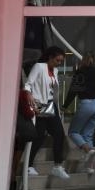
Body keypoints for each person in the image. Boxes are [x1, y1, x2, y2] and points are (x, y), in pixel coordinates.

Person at [26, 46, 70, 180]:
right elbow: (28, 84)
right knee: (39, 136)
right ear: (50, 57)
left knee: (59, 134)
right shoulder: (39, 67)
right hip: (39, 105)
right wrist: (28, 94)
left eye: (61, 61)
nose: (59, 63)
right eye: (57, 60)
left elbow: (53, 90)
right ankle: (28, 165)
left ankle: (57, 165)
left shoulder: (55, 71)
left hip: (51, 105)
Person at [65, 51, 95, 175]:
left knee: (73, 132)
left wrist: (64, 105)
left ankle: (88, 150)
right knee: (88, 135)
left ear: (83, 59)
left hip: (87, 104)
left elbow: (73, 91)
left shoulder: (80, 72)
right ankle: (90, 167)